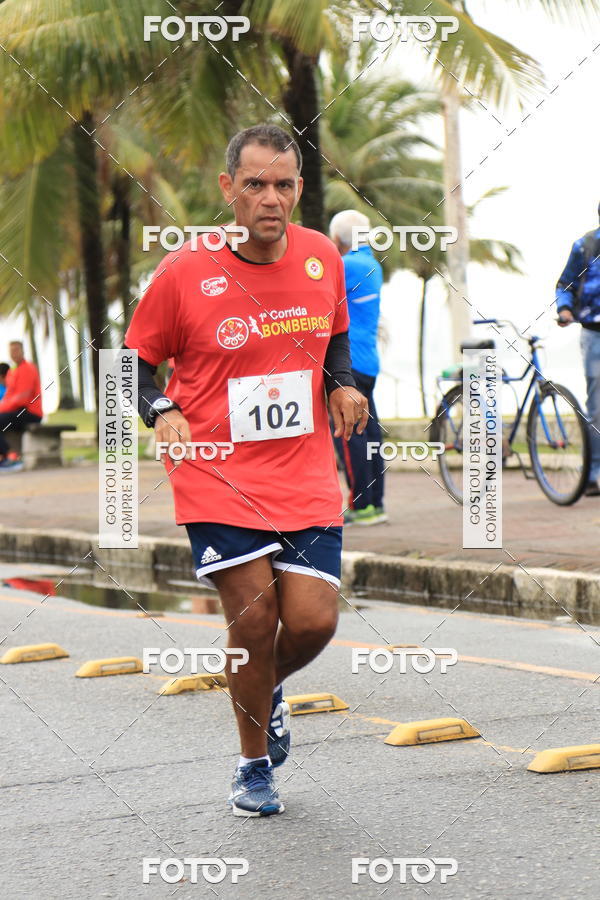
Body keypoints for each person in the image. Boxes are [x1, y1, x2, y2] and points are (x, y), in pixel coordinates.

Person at [125, 124, 368, 817]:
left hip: (305, 471)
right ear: (228, 189)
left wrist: (341, 384)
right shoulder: (185, 272)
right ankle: (253, 764)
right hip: (215, 472)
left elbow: (334, 335)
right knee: (256, 623)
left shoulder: (322, 257)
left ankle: (261, 689)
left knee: (315, 623)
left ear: (299, 188)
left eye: (285, 184)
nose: (272, 198)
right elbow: (134, 364)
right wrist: (161, 408)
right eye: (256, 184)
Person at [329, 209, 386, 524]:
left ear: (337, 239)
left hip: (348, 364)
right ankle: (376, 504)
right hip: (368, 362)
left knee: (349, 434)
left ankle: (361, 505)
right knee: (371, 434)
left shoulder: (345, 265)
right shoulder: (371, 264)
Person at [556, 205, 600, 496]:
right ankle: (595, 473)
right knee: (597, 407)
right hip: (594, 334)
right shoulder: (585, 245)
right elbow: (565, 285)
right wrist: (565, 309)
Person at [0, 341, 43, 472]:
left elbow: (21, 399)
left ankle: (8, 457)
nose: (14, 353)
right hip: (17, 411)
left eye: (16, 350)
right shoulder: (13, 372)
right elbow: (8, 397)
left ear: (23, 351)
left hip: (30, 412)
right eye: (11, 351)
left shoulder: (28, 369)